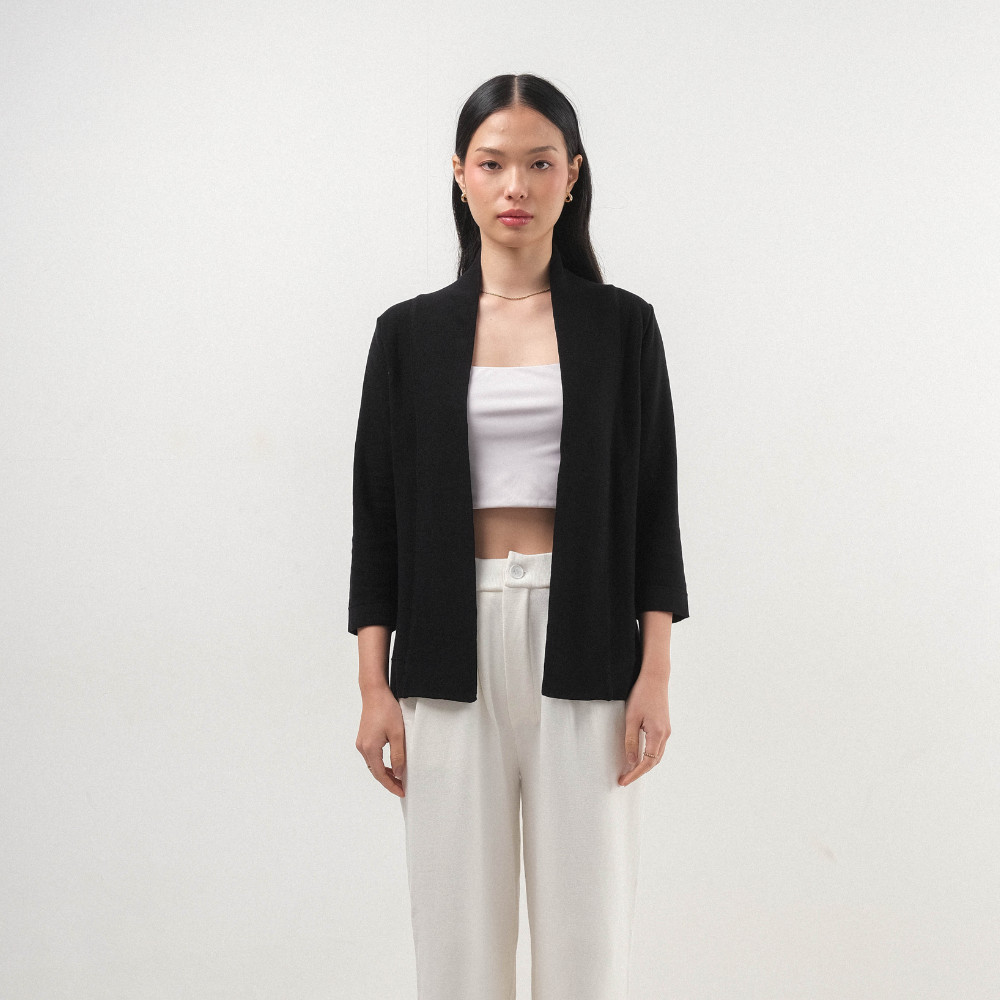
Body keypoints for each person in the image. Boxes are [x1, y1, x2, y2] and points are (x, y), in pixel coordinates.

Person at [350, 73, 689, 1000]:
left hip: (585, 634)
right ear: (459, 174)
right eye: (493, 163)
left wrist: (655, 671)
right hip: (446, 642)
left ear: (572, 175)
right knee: (456, 932)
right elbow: (376, 517)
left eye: (539, 164)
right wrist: (375, 686)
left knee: (588, 927)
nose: (515, 187)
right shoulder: (407, 335)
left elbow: (653, 505)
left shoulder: (623, 327)